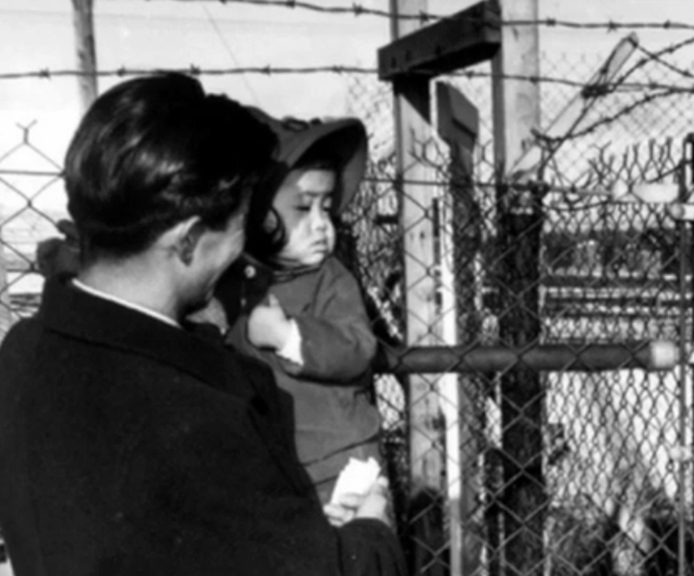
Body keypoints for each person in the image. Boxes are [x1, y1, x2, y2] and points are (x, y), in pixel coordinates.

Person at [0, 73, 402, 576]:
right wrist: (372, 533)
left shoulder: (21, 355)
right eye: (241, 224)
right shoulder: (196, 418)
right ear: (189, 239)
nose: (246, 245)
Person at [214, 108, 384, 505]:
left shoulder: (331, 278)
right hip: (269, 461)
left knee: (351, 540)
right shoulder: (228, 277)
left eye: (327, 207)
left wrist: (290, 337)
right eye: (304, 208)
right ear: (257, 210)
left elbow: (359, 347)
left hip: (338, 463)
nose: (323, 224)